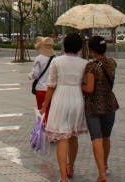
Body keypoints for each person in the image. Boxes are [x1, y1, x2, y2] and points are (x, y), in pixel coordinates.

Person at [40, 33, 87, 182]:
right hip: (77, 99)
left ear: (65, 45)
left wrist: (44, 105)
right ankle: (70, 167)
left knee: (62, 138)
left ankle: (63, 178)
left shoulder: (57, 61)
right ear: (80, 47)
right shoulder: (85, 63)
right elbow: (85, 85)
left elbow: (51, 85)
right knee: (73, 136)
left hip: (60, 98)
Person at [81, 36, 119, 182]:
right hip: (110, 104)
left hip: (94, 107)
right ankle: (105, 165)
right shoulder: (112, 63)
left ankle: (102, 174)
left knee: (96, 139)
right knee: (106, 137)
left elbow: (89, 89)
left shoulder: (91, 66)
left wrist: (80, 85)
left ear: (91, 49)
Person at [28, 37, 56, 119]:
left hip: (41, 89)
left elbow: (35, 74)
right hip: (52, 89)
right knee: (51, 112)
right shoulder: (55, 58)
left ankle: (43, 128)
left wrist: (30, 75)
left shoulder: (39, 58)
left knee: (42, 111)